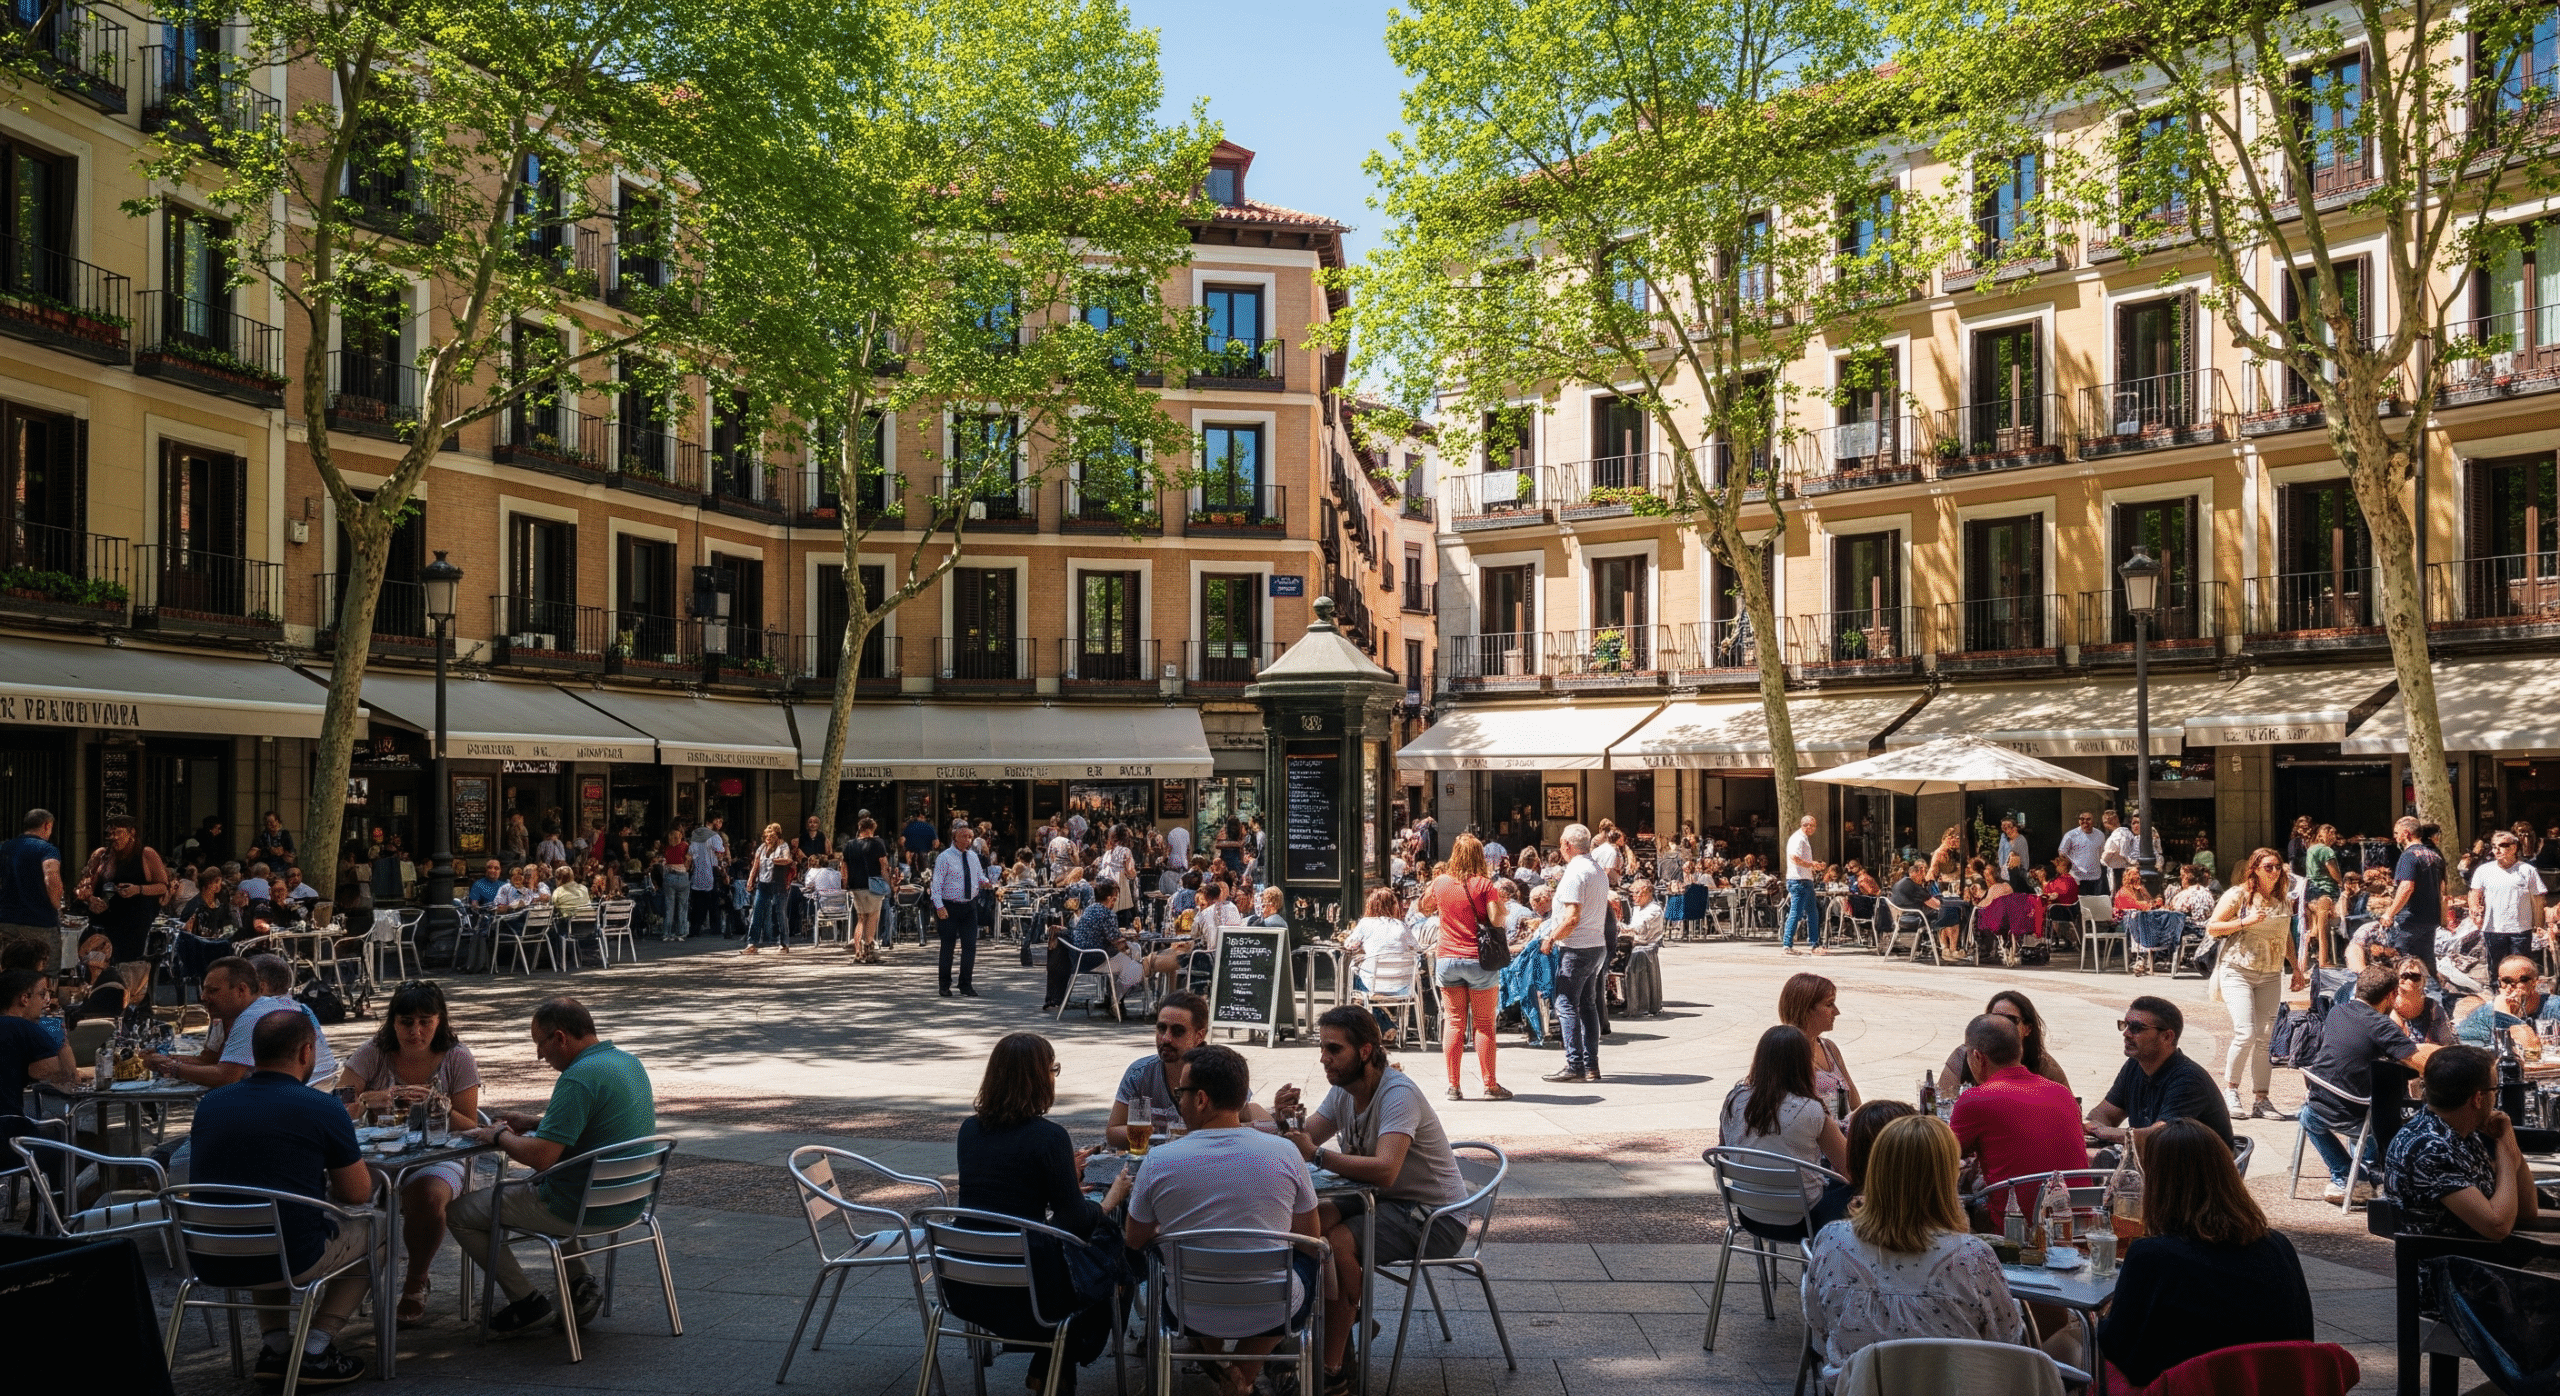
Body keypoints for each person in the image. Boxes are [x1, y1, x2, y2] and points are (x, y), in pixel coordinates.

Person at [1275, 1006, 1467, 1393]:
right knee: (1308, 1226)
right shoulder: (1344, 1092)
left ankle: (1333, 1369)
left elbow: (1385, 1169)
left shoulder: (1397, 1093)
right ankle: (1344, 1320)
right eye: (1322, 1047)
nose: (1323, 1058)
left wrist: (1316, 1154)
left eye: (1333, 1049)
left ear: (1364, 1051)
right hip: (1380, 1201)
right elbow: (1307, 1137)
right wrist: (1283, 1123)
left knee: (1336, 1242)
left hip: (1434, 1216)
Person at [187, 1009, 378, 1385]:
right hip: (290, 1257)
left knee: (267, 1219)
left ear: (253, 1052)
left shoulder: (210, 1104)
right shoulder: (322, 1106)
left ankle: (276, 1346)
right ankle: (315, 1347)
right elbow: (357, 1194)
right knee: (379, 1230)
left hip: (209, 1255)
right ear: (307, 1052)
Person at [1122, 1044, 1321, 1396]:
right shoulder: (1286, 1152)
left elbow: (1134, 1241)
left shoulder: (1158, 1161)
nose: (1179, 1101)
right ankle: (1244, 1372)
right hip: (1274, 1310)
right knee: (1309, 1258)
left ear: (1200, 1099)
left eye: (1181, 1093)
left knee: (1170, 1261)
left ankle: (1223, 1367)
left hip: (1188, 1310)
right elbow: (1309, 1235)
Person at [448, 998, 654, 1334]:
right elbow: (594, 1124)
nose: (539, 1056)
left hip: (582, 1208)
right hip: (630, 1201)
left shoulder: (578, 1077)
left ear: (559, 1037)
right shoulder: (627, 1062)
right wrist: (531, 1121)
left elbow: (541, 1156)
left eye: (540, 1045)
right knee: (548, 1180)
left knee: (461, 1213)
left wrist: (498, 1135)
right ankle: (581, 1283)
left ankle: (526, 1302)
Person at [1801, 1115, 2039, 1392]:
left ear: (1877, 1171)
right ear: (1948, 1176)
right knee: (2066, 1345)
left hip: (1861, 1387)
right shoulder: (1972, 1257)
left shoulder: (1833, 1241)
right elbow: (2007, 1342)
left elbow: (1819, 1328)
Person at [954, 1033, 1128, 1396]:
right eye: (1053, 1069)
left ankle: (1048, 1367)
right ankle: (1051, 1365)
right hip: (1027, 1293)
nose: (1054, 1076)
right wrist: (1108, 1203)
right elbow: (1073, 1222)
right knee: (1115, 1255)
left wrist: (1064, 1175)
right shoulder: (1048, 1137)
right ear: (1040, 1078)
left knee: (1081, 1259)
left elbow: (1003, 1196)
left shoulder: (969, 1130)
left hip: (964, 1284)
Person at [2094, 1117, 2315, 1388]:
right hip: (2275, 1387)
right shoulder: (2278, 1247)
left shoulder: (2152, 1257)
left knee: (2071, 1347)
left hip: (2181, 1388)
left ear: (2158, 1186)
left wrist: (2100, 1316)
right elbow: (2304, 1340)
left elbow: (2118, 1350)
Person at [340, 981, 482, 1321]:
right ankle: (352, 1280)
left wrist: (440, 1108)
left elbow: (473, 1126)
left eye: (425, 1021)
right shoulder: (373, 1052)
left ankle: (416, 1281)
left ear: (440, 1020)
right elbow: (336, 1107)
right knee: (341, 1192)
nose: (415, 1031)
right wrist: (364, 1101)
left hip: (437, 1156)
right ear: (392, 1022)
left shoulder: (457, 1057)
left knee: (430, 1197)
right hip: (379, 1154)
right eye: (405, 1022)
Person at [2303, 962, 2433, 1202]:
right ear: (2392, 995)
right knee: (2386, 1110)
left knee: (2307, 1117)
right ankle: (2358, 1178)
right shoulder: (2381, 1024)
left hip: (2317, 1102)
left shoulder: (2338, 1011)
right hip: (2355, 1113)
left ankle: (2354, 1174)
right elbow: (2420, 1062)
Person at [1947, 1013, 2086, 1224]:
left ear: (1978, 1057)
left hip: (2019, 1231)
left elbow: (1942, 1155)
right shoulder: (2061, 1093)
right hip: (2078, 1224)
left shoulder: (1976, 1099)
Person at [1718, 1025, 1852, 1224]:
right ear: (1804, 1063)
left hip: (1749, 1213)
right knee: (1859, 1189)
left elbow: (1725, 1151)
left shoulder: (1734, 1100)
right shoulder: (1811, 1110)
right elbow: (1848, 1168)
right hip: (1802, 1218)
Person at [2208, 847, 2305, 1121]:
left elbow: (2285, 934)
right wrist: (2244, 921)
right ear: (2255, 870)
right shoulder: (2238, 895)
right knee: (2245, 1033)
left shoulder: (2284, 900)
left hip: (2271, 972)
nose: (2274, 872)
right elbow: (2213, 926)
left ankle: (2261, 1099)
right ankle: (2231, 1091)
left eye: (2278, 867)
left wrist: (2295, 968)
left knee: (2265, 1038)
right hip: (2238, 969)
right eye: (2268, 867)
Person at [2085, 994, 2235, 1155]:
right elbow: (2104, 1113)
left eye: (2136, 1028)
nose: (2126, 1034)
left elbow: (2161, 1136)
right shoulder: (2134, 1065)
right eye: (2125, 1025)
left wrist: (2111, 1133)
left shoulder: (2188, 1079)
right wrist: (2097, 1128)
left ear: (2167, 1036)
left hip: (2198, 1171)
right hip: (2161, 1162)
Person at [1428, 834, 1509, 1102]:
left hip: (1448, 959)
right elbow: (1496, 921)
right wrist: (1503, 909)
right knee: (1484, 1024)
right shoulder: (1485, 885)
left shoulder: (1440, 882)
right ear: (1479, 856)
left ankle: (1453, 1085)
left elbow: (1424, 905)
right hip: (1479, 960)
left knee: (1454, 1022)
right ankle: (1490, 1085)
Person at [1540, 822, 1610, 1084]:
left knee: (1566, 1002)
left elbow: (1572, 917)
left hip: (1576, 947)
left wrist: (1550, 937)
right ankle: (1591, 1064)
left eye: (1561, 843)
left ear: (1567, 845)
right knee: (1588, 1004)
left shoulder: (1574, 873)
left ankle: (1575, 1064)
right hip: (1595, 944)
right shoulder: (1597, 871)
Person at [1937, 990, 2070, 1096]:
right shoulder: (1963, 1056)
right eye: (1996, 1017)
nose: (2003, 1024)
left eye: (2012, 1019)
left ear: (2027, 1029)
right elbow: (1942, 1101)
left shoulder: (2044, 1066)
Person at [77, 816, 168, 967]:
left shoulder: (146, 854)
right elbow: (83, 886)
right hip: (102, 922)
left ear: (132, 832)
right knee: (97, 967)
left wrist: (138, 889)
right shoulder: (101, 855)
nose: (114, 837)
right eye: (110, 833)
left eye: (118, 832)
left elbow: (163, 886)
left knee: (127, 968)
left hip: (133, 924)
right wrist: (90, 899)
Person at [1779, 972, 1861, 1118]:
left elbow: (1854, 1103)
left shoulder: (1829, 1048)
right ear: (1806, 1009)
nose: (1836, 1012)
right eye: (1829, 1004)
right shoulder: (1786, 1053)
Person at [0, 967, 80, 1107]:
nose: (47, 1001)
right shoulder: (25, 1029)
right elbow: (68, 1082)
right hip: (10, 1122)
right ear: (25, 999)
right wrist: (63, 1043)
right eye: (42, 995)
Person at [2470, 832, 2548, 970]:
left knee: (2520, 968)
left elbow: (2538, 900)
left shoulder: (2527, 870)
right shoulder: (2483, 870)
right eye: (2494, 846)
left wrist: (2539, 924)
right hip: (2493, 929)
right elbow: (2474, 893)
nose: (2497, 849)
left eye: (2503, 845)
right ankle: (2497, 991)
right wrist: (2475, 910)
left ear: (2514, 848)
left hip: (2521, 930)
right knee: (2496, 969)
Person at [930, 821, 989, 998]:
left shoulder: (972, 857)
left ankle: (965, 984)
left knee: (970, 946)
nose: (968, 840)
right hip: (949, 906)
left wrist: (985, 881)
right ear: (955, 837)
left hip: (969, 906)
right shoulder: (944, 857)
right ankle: (944, 984)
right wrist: (939, 906)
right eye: (964, 836)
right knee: (948, 946)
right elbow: (936, 884)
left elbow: (979, 876)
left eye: (970, 836)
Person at [2387, 816, 2450, 979]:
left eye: (2396, 833)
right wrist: (2442, 917)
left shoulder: (2408, 856)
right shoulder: (2435, 855)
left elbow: (2406, 887)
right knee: (2427, 965)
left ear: (2406, 833)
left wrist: (2390, 913)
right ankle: (2434, 998)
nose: (2395, 837)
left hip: (2410, 919)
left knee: (2401, 963)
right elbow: (2443, 889)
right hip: (2430, 919)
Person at [0, 808, 62, 962]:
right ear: (47, 825)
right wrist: (56, 905)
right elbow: (51, 879)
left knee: (9, 969)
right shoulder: (47, 849)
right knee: (46, 970)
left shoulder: (5, 847)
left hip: (6, 920)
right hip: (39, 921)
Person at [1887, 859, 1965, 960]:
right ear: (1918, 872)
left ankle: (1946, 949)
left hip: (1902, 918)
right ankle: (1952, 950)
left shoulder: (1900, 883)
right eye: (1923, 874)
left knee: (1945, 913)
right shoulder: (1913, 886)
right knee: (1951, 912)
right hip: (1915, 919)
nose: (1923, 878)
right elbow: (1936, 905)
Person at [841, 815, 890, 963]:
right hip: (873, 885)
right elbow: (884, 865)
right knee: (873, 917)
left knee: (861, 919)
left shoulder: (849, 845)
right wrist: (888, 883)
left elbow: (843, 866)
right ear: (872, 829)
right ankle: (869, 951)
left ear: (860, 829)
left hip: (856, 886)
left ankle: (858, 952)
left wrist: (845, 882)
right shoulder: (878, 844)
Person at [1783, 814, 1822, 954]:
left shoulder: (1803, 839)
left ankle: (1814, 943)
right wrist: (1811, 864)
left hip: (1806, 880)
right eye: (1813, 826)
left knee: (1812, 912)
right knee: (1796, 913)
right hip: (1798, 880)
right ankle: (1787, 945)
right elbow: (1794, 857)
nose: (1814, 829)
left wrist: (1812, 866)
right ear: (1807, 826)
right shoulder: (1798, 839)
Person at [2058, 809, 2106, 897]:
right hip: (2077, 878)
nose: (2085, 822)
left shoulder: (2100, 835)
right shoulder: (2070, 835)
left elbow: (2102, 853)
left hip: (2095, 877)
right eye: (2082, 819)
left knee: (2093, 905)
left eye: (2088, 819)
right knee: (2079, 906)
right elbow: (2062, 853)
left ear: (2093, 820)